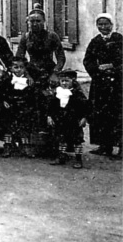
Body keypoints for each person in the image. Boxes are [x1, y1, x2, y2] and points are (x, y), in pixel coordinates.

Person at [84, 13, 123, 159]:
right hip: (100, 83)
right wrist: (97, 69)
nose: (103, 27)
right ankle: (104, 146)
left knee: (118, 115)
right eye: (100, 24)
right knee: (101, 114)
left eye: (106, 24)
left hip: (118, 83)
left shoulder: (119, 39)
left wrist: (113, 66)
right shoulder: (95, 41)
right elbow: (88, 60)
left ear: (112, 25)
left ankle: (121, 147)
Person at [47, 70, 89, 169]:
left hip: (74, 121)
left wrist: (84, 118)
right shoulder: (57, 93)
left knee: (76, 140)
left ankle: (78, 159)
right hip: (61, 120)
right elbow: (51, 106)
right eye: (62, 81)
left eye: (67, 81)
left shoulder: (77, 94)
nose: (64, 83)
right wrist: (49, 116)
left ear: (73, 81)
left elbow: (85, 107)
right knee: (61, 139)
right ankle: (61, 156)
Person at [16, 5, 66, 88]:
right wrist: (26, 75)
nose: (35, 24)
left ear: (44, 21)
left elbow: (61, 58)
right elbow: (19, 58)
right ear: (28, 22)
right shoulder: (25, 37)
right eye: (32, 21)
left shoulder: (52, 36)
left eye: (38, 21)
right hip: (31, 72)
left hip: (49, 71)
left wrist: (55, 73)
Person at [0, 56, 37, 158]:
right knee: (9, 126)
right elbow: (1, 92)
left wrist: (29, 105)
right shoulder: (7, 79)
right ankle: (8, 146)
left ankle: (25, 146)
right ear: (11, 68)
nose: (19, 70)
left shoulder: (28, 81)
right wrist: (4, 101)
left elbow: (32, 94)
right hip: (10, 107)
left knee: (24, 126)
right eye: (16, 67)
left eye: (21, 67)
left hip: (24, 107)